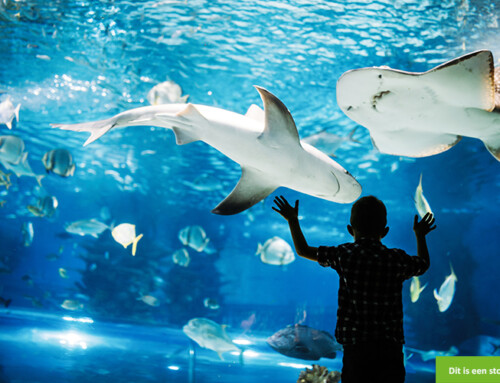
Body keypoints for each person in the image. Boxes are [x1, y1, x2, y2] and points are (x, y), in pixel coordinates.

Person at [272, 195, 436, 383]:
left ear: (350, 229)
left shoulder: (344, 255)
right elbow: (423, 264)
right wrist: (420, 235)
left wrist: (292, 220)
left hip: (355, 349)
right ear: (385, 231)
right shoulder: (395, 259)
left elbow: (302, 250)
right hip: (389, 349)